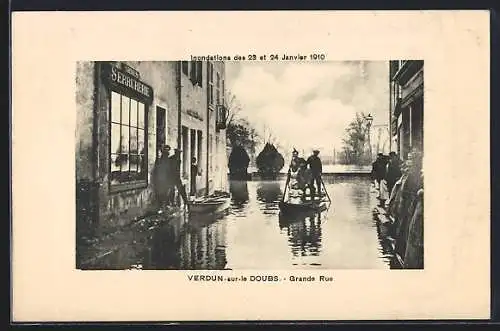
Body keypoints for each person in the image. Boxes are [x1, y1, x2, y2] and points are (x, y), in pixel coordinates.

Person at [152, 145, 173, 210]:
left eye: (167, 151)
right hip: (160, 181)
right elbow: (155, 171)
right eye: (165, 151)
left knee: (165, 194)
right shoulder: (159, 161)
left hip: (166, 181)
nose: (167, 153)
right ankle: (161, 207)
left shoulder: (169, 161)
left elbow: (170, 172)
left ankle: (164, 206)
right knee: (160, 194)